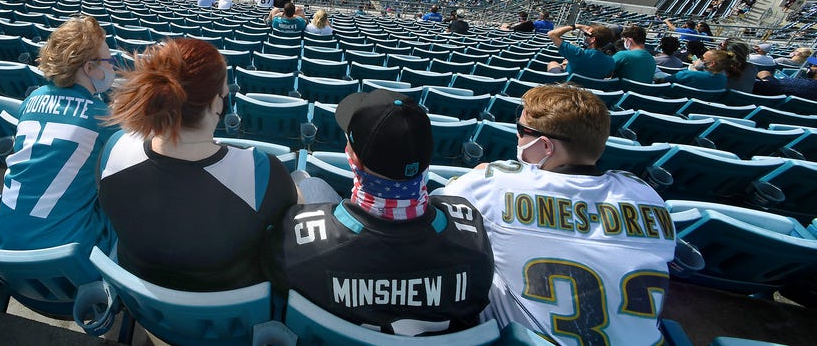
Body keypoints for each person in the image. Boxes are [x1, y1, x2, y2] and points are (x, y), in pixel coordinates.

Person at [440, 85, 676, 343]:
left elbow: (439, 202)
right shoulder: (647, 196)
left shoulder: (495, 183)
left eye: (522, 131)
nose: (517, 137)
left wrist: (481, 173)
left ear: (545, 146)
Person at [266, 90, 494, 337]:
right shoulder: (474, 244)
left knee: (311, 185)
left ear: (353, 159)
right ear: (427, 161)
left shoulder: (301, 248)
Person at [98, 38, 297, 291]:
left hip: (144, 303)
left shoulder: (114, 151)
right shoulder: (260, 171)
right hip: (227, 313)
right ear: (216, 103)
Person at [0, 16, 119, 252]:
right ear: (89, 68)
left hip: (3, 242)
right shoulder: (102, 117)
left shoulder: (33, 98)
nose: (112, 66)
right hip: (63, 254)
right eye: (109, 60)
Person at [545, 23, 615, 78]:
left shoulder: (577, 53)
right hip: (590, 91)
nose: (585, 36)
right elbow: (607, 75)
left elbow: (551, 34)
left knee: (552, 63)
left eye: (586, 34)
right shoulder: (611, 61)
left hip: (567, 87)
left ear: (593, 39)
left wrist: (576, 26)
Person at [664, 48, 734, 91]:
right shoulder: (724, 80)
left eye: (702, 58)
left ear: (712, 63)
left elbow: (661, 81)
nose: (700, 59)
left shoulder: (687, 74)